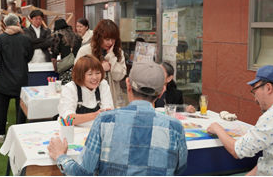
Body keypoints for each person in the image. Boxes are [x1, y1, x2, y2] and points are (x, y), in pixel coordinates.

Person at [48, 61, 188, 175]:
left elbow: (83, 173)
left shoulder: (105, 121)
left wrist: (61, 156)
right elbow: (180, 171)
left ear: (127, 84)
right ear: (162, 91)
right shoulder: (175, 128)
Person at [207, 65, 273, 176]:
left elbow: (237, 150)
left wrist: (217, 128)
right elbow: (272, 157)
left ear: (268, 88)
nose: (254, 97)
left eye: (255, 89)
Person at [0, 14, 34, 143]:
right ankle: (20, 133)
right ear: (18, 23)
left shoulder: (0, 39)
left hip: (3, 78)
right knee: (20, 108)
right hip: (21, 78)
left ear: (5, 24)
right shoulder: (25, 39)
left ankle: (1, 134)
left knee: (2, 108)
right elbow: (29, 56)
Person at [75, 19, 127, 108]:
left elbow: (118, 76)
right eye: (107, 39)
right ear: (99, 37)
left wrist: (111, 57)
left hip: (112, 98)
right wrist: (100, 69)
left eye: (113, 39)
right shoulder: (85, 50)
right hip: (89, 99)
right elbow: (77, 74)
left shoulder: (118, 52)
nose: (110, 42)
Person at [58, 55, 114, 125]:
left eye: (98, 73)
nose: (95, 77)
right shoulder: (70, 88)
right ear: (80, 75)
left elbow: (108, 111)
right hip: (74, 131)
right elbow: (69, 119)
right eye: (90, 74)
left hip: (96, 129)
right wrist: (95, 115)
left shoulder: (103, 85)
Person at [51, 19, 82, 85]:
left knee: (66, 90)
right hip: (78, 67)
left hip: (65, 69)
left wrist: (55, 68)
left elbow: (54, 55)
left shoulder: (58, 37)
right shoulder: (77, 37)